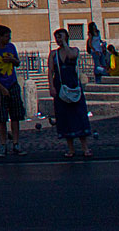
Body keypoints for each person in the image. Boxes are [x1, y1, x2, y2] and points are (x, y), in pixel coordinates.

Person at [48, 28, 92, 157]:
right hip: (60, 85)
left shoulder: (74, 50)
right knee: (64, 116)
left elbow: (72, 56)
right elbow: (51, 71)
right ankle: (71, 148)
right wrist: (51, 87)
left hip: (73, 84)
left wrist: (65, 45)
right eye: (56, 37)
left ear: (66, 37)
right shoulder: (53, 54)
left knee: (79, 115)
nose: (58, 40)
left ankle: (85, 148)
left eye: (60, 37)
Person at [0, 26, 24, 157]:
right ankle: (3, 144)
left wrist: (13, 60)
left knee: (16, 116)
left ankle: (16, 143)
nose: (9, 38)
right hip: (0, 87)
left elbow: (18, 63)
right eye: (7, 36)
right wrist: (1, 88)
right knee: (1, 118)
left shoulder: (11, 47)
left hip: (13, 84)